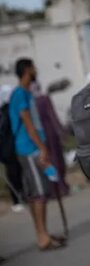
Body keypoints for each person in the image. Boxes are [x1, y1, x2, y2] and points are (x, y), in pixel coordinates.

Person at [8, 59, 65, 250]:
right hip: (29, 149)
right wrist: (42, 148)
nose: (36, 71)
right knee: (40, 194)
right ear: (26, 70)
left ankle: (43, 233)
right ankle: (43, 238)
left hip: (31, 148)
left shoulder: (25, 93)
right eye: (33, 67)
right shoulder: (19, 94)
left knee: (36, 194)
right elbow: (28, 125)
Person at [0, 84, 24, 213]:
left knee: (19, 172)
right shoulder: (4, 112)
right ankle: (16, 200)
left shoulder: (10, 109)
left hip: (14, 146)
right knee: (13, 173)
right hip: (7, 148)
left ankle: (22, 195)